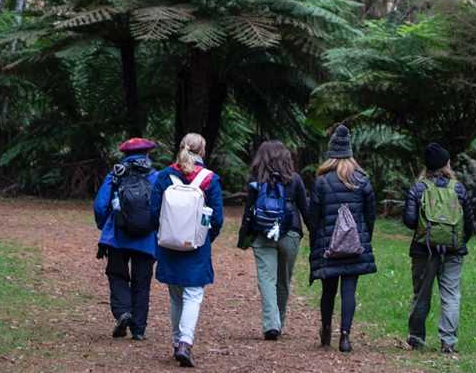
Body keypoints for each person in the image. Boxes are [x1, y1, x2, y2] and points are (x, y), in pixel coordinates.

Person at [149, 133, 224, 368]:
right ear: (202, 151)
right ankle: (185, 342)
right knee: (193, 294)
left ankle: (175, 342)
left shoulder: (164, 176)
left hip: (169, 244)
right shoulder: (209, 179)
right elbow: (218, 219)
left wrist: (164, 233)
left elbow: (153, 213)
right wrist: (203, 238)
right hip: (196, 247)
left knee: (175, 294)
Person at [402, 143, 476, 354]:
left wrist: (427, 229)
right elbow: (470, 224)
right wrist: (457, 241)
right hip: (453, 251)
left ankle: (416, 339)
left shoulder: (419, 188)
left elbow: (409, 220)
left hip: (423, 251)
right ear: (446, 164)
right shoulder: (458, 188)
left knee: (421, 295)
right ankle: (448, 342)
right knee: (451, 295)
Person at [308, 124, 377, 353]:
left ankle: (326, 330)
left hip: (329, 245)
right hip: (355, 246)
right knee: (349, 291)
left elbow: (313, 217)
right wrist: (365, 237)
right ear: (350, 153)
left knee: (328, 290)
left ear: (331, 154)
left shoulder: (321, 181)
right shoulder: (362, 180)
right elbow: (370, 215)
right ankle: (345, 337)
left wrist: (316, 240)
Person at [238, 140, 309, 341]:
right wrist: (316, 236)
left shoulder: (255, 180)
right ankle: (280, 322)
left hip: (262, 234)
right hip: (290, 234)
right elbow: (305, 209)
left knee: (266, 280)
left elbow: (249, 211)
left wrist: (244, 236)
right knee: (283, 281)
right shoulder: (294, 180)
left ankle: (272, 324)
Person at [93, 137, 159, 341]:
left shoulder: (115, 174)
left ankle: (122, 312)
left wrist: (105, 225)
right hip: (146, 238)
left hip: (117, 236)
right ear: (148, 154)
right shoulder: (157, 176)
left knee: (117, 275)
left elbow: (100, 205)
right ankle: (138, 329)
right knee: (142, 282)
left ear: (125, 154)